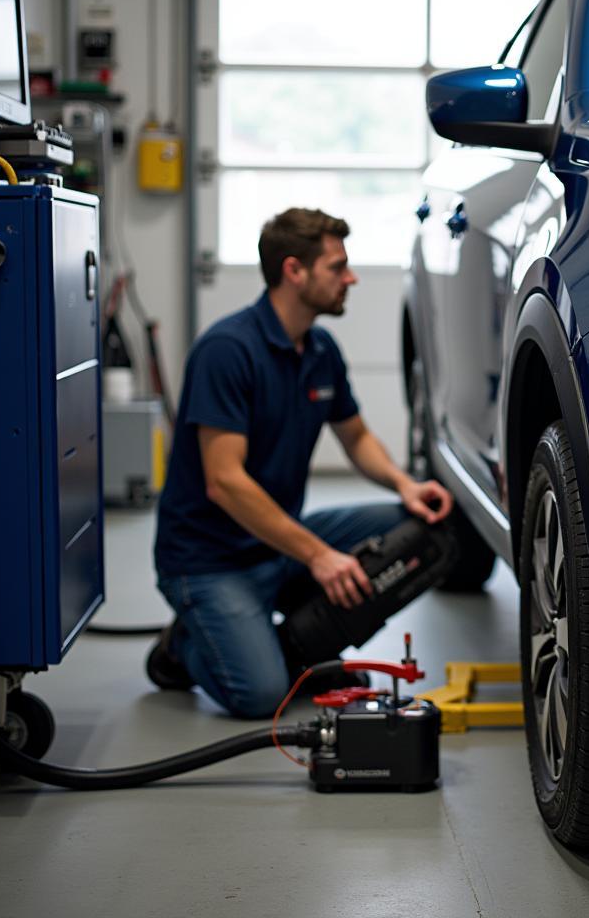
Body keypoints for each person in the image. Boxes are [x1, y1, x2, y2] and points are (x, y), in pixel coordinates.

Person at [147, 207, 453, 718]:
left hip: (278, 540)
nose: (351, 278)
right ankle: (183, 646)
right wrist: (318, 555)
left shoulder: (319, 347)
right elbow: (224, 482)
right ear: (294, 271)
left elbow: (355, 437)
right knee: (261, 696)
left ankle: (296, 643)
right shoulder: (227, 351)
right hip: (210, 560)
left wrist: (404, 484)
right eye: (337, 267)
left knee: (419, 524)